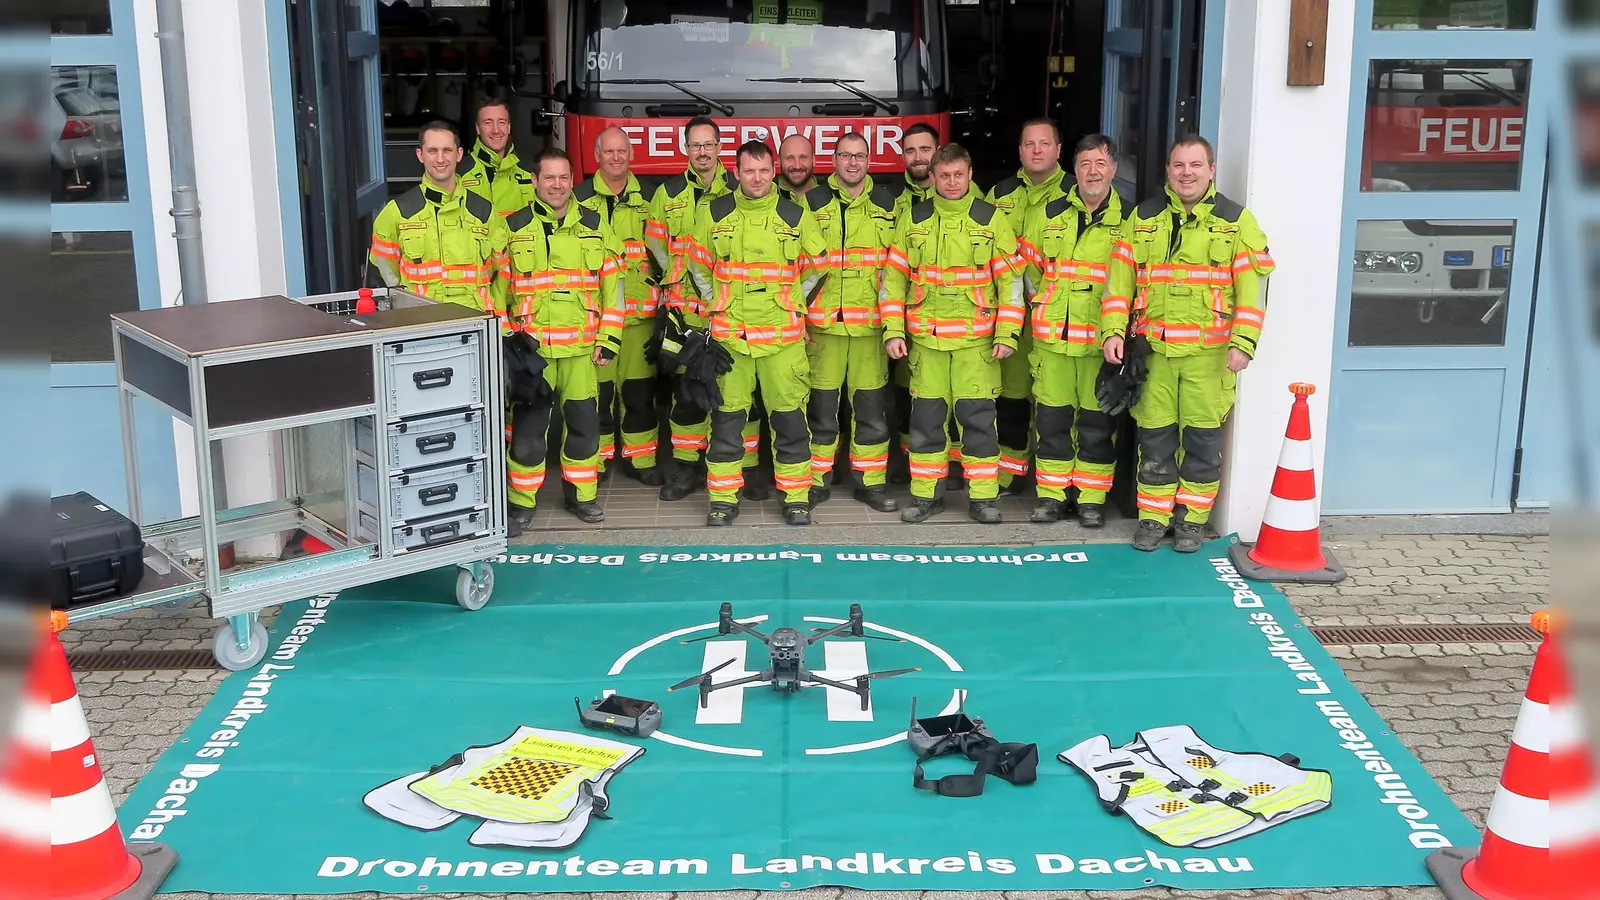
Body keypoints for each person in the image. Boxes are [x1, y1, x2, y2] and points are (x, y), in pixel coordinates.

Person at [1106, 135, 1273, 552]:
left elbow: (1253, 292)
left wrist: (1244, 343)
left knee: (1202, 442)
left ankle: (1191, 522)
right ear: (1168, 170)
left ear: (1211, 169)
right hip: (1154, 353)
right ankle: (1153, 518)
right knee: (1155, 437)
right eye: (1179, 165)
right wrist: (1111, 331)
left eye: (1196, 165)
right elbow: (1119, 282)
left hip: (1210, 356)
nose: (1187, 173)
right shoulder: (1143, 216)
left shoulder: (1237, 221)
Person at [684, 140, 826, 526]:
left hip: (782, 341)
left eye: (764, 170)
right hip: (732, 340)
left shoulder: (794, 214)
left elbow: (817, 267)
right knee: (727, 424)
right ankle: (723, 501)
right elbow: (697, 267)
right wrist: (718, 305)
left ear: (774, 170)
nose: (758, 178)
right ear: (737, 171)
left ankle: (797, 498)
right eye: (750, 171)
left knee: (791, 423)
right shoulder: (714, 212)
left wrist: (794, 304)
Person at [883, 143, 1025, 524]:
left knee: (978, 424)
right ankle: (927, 496)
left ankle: (982, 499)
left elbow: (1011, 282)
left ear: (970, 174)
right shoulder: (913, 219)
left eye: (958, 174)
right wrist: (893, 329)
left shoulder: (990, 219)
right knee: (925, 425)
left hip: (976, 344)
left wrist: (1007, 333)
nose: (951, 182)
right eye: (943, 175)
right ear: (932, 177)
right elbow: (892, 281)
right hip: (926, 344)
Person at [501, 148, 626, 530]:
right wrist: (508, 340)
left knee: (586, 429)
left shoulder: (595, 224)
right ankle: (522, 503)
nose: (557, 185)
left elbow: (614, 288)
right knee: (527, 433)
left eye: (564, 177)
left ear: (573, 181)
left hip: (583, 352)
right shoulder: (513, 227)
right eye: (549, 178)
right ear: (535, 181)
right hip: (533, 354)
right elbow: (495, 291)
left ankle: (582, 498)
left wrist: (610, 338)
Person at [1018, 133, 1134, 527]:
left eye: (1100, 164)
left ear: (1114, 169)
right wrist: (1043, 309)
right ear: (1075, 170)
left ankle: (1090, 501)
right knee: (1051, 423)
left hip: (1098, 346)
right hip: (1052, 343)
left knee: (1097, 427)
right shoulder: (1049, 215)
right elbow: (1030, 271)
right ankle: (1051, 497)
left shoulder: (1131, 221)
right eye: (1085, 164)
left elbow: (1133, 283)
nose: (1092, 172)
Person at [644, 117, 763, 502]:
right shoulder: (668, 193)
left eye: (708, 144)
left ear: (719, 147)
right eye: (695, 145)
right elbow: (656, 246)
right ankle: (687, 468)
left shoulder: (738, 188)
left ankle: (744, 470)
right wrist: (674, 281)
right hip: (686, 313)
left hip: (731, 311)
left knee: (739, 392)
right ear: (685, 148)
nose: (702, 152)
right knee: (688, 392)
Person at [797, 131, 899, 513]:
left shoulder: (890, 205)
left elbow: (898, 271)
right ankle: (816, 480)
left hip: (871, 327)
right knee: (821, 410)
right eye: (845, 156)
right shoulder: (810, 202)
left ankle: (870, 484)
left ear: (869, 160)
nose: (852, 163)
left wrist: (893, 325)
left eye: (859, 156)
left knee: (871, 412)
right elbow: (795, 265)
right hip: (822, 326)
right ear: (833, 160)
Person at [576, 127, 666, 487]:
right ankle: (595, 463)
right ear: (596, 155)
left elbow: (664, 251)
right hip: (595, 318)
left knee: (639, 394)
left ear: (632, 156)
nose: (616, 158)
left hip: (640, 317)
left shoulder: (651, 198)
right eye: (608, 151)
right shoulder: (578, 197)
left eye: (622, 151)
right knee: (596, 396)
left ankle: (640, 460)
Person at [986, 118, 1070, 495]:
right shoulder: (998, 195)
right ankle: (1010, 475)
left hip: (1061, 319)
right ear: (1019, 151)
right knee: (1012, 400)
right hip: (1013, 320)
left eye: (1044, 143)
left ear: (1058, 150)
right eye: (1029, 144)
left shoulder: (1076, 192)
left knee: (1059, 405)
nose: (1036, 150)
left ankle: (1059, 484)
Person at [369, 121, 507, 316]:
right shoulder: (397, 212)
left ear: (459, 154)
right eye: (432, 151)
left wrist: (500, 328)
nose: (440, 158)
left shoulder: (484, 212)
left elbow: (501, 274)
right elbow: (385, 279)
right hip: (421, 327)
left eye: (447, 150)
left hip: (477, 327)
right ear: (420, 155)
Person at [459, 99, 535, 217]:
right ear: (478, 128)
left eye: (502, 122)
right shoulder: (459, 172)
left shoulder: (531, 170)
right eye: (488, 123)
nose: (496, 130)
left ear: (509, 127)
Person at [777, 133, 818, 204]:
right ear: (779, 162)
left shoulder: (831, 198)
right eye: (789, 158)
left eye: (803, 158)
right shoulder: (766, 198)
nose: (797, 166)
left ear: (813, 160)